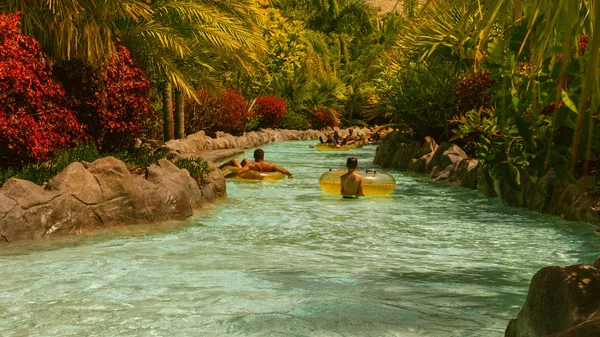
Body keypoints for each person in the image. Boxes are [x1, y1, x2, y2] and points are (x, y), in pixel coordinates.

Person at [219, 149, 293, 179]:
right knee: (245, 160)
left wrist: (225, 177)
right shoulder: (270, 165)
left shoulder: (252, 165)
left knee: (233, 160)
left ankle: (217, 169)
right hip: (264, 174)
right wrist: (290, 175)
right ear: (263, 156)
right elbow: (283, 170)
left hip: (251, 173)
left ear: (254, 156)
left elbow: (238, 172)